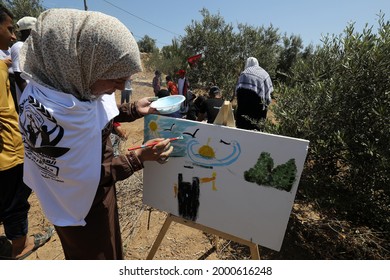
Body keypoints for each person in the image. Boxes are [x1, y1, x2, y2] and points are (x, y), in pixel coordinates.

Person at [17, 8, 173, 260]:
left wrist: (133, 109)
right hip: (82, 206)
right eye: (115, 79)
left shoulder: (63, 88)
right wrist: (138, 158)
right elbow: (84, 176)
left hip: (94, 195)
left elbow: (92, 111)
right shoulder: (56, 115)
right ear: (81, 66)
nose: (121, 87)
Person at [0, 4, 53, 260]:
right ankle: (19, 247)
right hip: (9, 150)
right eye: (8, 29)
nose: (12, 36)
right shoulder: (20, 48)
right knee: (17, 198)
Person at [234, 57, 273, 130]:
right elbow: (268, 93)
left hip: (244, 108)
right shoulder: (265, 74)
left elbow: (238, 91)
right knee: (256, 129)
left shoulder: (244, 73)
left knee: (242, 129)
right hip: (258, 108)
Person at [11, 16, 36, 105]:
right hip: (29, 98)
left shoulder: (29, 47)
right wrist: (31, 99)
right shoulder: (19, 47)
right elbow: (19, 77)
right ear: (29, 31)